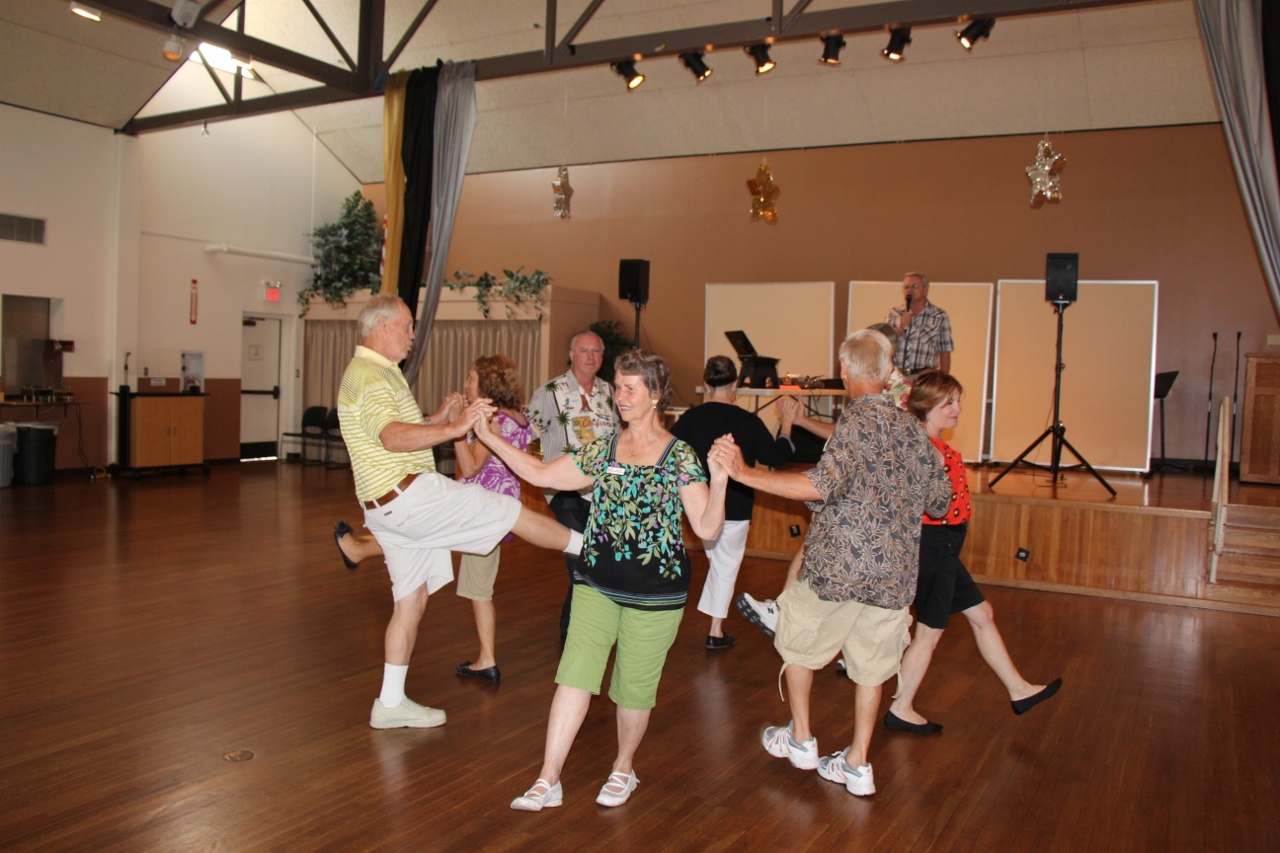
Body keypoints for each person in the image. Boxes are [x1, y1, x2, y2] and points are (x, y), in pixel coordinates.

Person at [473, 349, 728, 811]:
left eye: (631, 388)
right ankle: (549, 778)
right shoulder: (603, 447)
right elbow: (541, 472)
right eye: (619, 386)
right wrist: (489, 437)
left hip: (656, 593)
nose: (621, 396)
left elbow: (707, 529)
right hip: (595, 582)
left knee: (633, 688)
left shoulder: (679, 455)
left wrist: (723, 480)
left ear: (654, 396)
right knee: (574, 677)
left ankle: (623, 769)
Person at [711, 329, 949, 798]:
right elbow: (939, 502)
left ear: (845, 373)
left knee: (796, 641)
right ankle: (858, 764)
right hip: (895, 575)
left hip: (837, 569)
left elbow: (820, 485)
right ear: (886, 375)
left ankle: (800, 738)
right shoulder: (913, 430)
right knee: (872, 668)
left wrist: (744, 473)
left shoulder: (856, 424)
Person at [336, 294, 580, 730]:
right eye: (409, 326)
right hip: (411, 497)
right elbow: (391, 437)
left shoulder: (377, 374)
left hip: (385, 508)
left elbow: (387, 435)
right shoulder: (372, 376)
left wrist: (437, 418)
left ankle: (390, 703)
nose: (414, 335)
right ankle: (593, 547)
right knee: (510, 510)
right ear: (384, 326)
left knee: (411, 600)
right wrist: (455, 427)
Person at [885, 370, 1062, 732]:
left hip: (944, 546)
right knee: (929, 633)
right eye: (948, 403)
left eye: (957, 400)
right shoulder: (919, 445)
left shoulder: (927, 440)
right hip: (933, 545)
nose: (958, 409)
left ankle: (1019, 690)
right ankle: (901, 707)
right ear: (927, 407)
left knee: (981, 613)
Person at [736, 323, 913, 637]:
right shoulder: (874, 388)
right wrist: (802, 420)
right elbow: (850, 435)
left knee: (820, 551)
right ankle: (788, 612)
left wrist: (744, 473)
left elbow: (850, 457)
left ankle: (786, 614)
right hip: (862, 499)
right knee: (813, 549)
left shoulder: (893, 390)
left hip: (865, 500)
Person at [670, 355, 795, 649]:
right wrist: (787, 425)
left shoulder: (691, 419)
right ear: (736, 383)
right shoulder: (749, 422)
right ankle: (714, 632)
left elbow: (668, 452)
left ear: (705, 384)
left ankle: (712, 628)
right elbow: (776, 457)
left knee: (720, 564)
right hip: (736, 505)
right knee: (725, 565)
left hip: (699, 505)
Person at [525, 331, 618, 643]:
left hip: (602, 490)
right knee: (579, 552)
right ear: (571, 355)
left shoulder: (611, 393)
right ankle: (576, 631)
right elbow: (525, 428)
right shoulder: (550, 392)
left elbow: (621, 438)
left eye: (596, 351)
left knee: (594, 555)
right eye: (584, 351)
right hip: (564, 490)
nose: (590, 357)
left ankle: (572, 625)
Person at [451, 355, 534, 684]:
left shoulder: (497, 420)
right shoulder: (518, 416)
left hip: (483, 511)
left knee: (479, 589)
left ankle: (486, 659)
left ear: (488, 383)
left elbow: (471, 468)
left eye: (471, 378)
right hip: (497, 507)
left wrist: (456, 431)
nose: (466, 383)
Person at [886, 272, 953, 377]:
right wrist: (901, 327)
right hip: (896, 376)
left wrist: (944, 381)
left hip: (924, 376)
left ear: (925, 290)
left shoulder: (939, 316)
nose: (909, 290)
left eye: (915, 286)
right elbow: (884, 344)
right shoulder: (894, 313)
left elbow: (945, 351)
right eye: (906, 287)